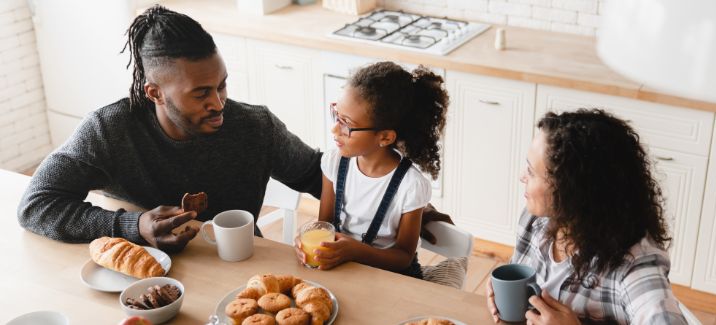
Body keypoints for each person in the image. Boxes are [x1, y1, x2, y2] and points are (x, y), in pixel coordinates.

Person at [15, 5, 324, 253]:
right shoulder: (109, 131)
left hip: (238, 268)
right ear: (155, 93)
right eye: (201, 93)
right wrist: (133, 226)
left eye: (222, 85)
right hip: (144, 281)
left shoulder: (255, 127)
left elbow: (319, 175)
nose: (218, 103)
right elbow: (36, 205)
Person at [486, 109, 688, 324]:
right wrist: (506, 296)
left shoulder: (633, 265)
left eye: (532, 172)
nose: (522, 177)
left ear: (570, 190)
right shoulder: (536, 220)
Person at [293, 62, 448, 278]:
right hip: (345, 271)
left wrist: (357, 252)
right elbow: (325, 224)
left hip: (390, 278)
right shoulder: (334, 162)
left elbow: (403, 256)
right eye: (336, 115)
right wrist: (310, 242)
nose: (335, 128)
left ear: (385, 137)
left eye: (346, 123)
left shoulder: (411, 186)